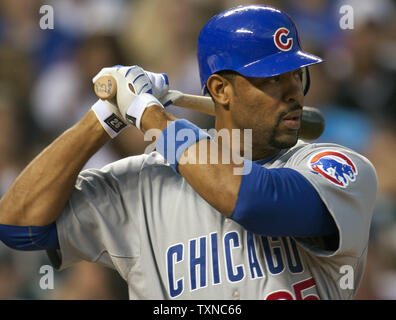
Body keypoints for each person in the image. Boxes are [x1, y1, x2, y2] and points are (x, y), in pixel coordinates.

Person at [0, 5, 377, 300]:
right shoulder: (145, 181)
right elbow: (19, 226)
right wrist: (104, 117)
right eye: (274, 79)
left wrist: (149, 116)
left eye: (297, 75)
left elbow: (254, 200)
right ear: (220, 90)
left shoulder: (334, 168)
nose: (293, 91)